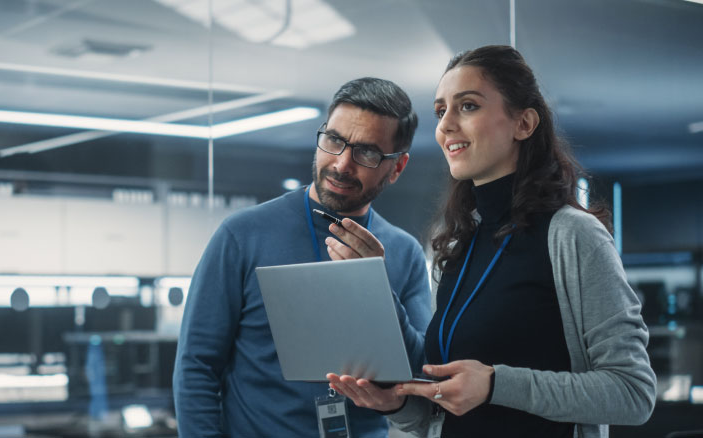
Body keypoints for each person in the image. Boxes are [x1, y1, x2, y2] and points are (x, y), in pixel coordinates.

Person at [326, 45, 656, 437]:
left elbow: (634, 392)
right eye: (440, 110)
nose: (445, 125)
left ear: (524, 123)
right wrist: (396, 402)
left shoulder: (573, 235)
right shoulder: (459, 244)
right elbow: (440, 411)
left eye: (467, 106)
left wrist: (497, 384)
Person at [173, 77, 432, 437]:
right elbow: (196, 366)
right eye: (334, 141)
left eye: (367, 153)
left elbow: (422, 375)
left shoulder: (403, 252)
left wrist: (374, 286)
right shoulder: (242, 235)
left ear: (397, 167)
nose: (342, 164)